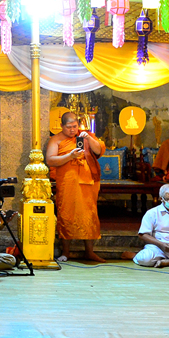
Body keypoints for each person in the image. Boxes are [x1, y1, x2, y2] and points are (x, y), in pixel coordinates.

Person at [46, 111, 106, 262]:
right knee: (66, 214)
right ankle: (65, 252)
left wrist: (88, 139)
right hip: (68, 183)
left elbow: (99, 151)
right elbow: (50, 160)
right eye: (68, 127)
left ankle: (89, 252)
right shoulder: (56, 139)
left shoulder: (85, 135)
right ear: (61, 126)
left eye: (74, 126)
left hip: (87, 182)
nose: (72, 130)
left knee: (89, 214)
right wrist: (70, 156)